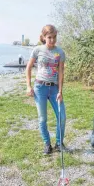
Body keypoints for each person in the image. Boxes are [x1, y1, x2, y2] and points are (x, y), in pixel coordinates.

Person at [26, 25, 66, 155]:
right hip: (40, 87)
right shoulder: (37, 50)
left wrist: (60, 91)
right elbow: (28, 68)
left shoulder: (60, 52)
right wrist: (28, 86)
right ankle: (47, 144)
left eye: (54, 37)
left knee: (62, 117)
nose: (52, 40)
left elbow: (61, 72)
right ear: (44, 37)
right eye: (49, 37)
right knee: (42, 118)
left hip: (54, 88)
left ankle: (59, 144)